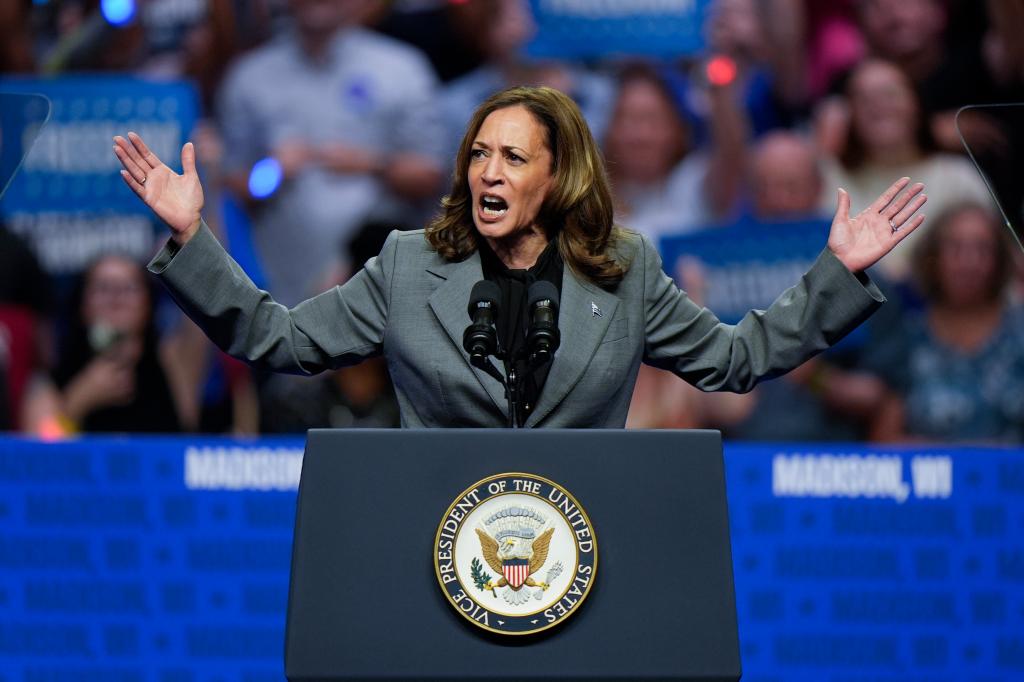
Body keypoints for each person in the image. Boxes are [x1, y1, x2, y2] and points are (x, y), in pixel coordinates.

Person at [112, 85, 926, 428]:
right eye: (477, 155)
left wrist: (838, 273)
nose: (487, 172)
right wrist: (191, 236)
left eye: (512, 157)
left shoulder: (625, 268)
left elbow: (737, 358)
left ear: (557, 174)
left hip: (583, 545)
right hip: (429, 540)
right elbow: (277, 339)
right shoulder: (406, 263)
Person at [871, 203, 1024, 443]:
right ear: (933, 257)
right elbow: (885, 442)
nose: (969, 262)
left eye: (982, 249)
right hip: (933, 476)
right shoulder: (909, 335)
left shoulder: (1019, 330)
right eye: (956, 248)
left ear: (1000, 260)